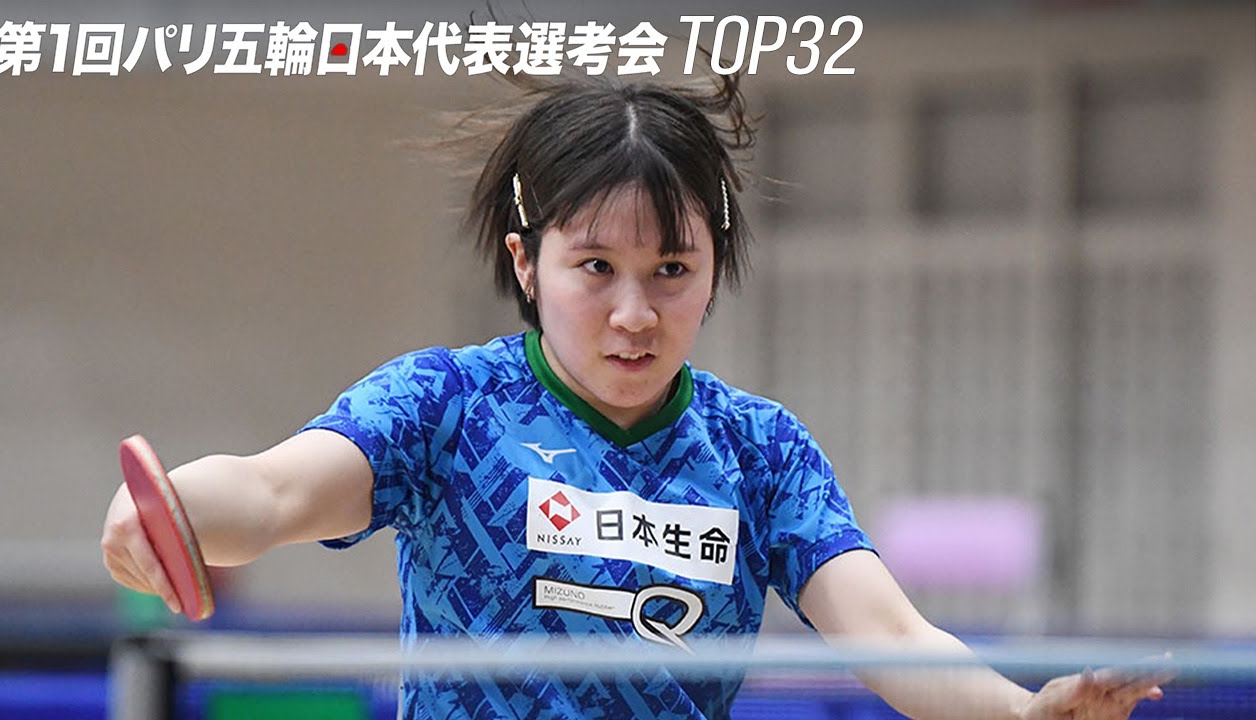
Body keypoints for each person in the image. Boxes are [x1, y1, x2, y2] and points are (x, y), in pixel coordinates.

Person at [102, 73, 1171, 719]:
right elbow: (275, 492)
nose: (633, 313)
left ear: (714, 269)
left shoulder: (759, 452)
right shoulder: (444, 406)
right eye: (594, 268)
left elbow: (889, 633)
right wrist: (170, 507)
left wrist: (1021, 714)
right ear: (525, 264)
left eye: (671, 269)